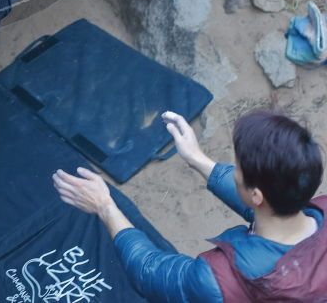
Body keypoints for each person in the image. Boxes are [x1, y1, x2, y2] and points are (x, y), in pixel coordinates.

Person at [52, 110, 326, 302]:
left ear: (256, 195)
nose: (234, 171)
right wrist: (198, 160)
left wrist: (104, 206)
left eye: (238, 169)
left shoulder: (217, 281)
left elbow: (148, 271)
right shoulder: (317, 209)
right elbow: (269, 206)